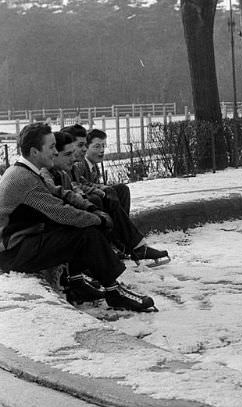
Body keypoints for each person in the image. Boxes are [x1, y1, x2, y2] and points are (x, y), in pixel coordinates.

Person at [0, 123, 155, 312]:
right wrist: (99, 219)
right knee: (85, 234)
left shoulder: (24, 170)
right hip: (12, 253)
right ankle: (115, 292)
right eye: (51, 147)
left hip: (19, 245)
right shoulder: (24, 179)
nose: (55, 152)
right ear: (34, 151)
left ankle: (77, 282)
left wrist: (90, 208)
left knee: (78, 226)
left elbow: (60, 193)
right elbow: (60, 211)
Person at [46, 131, 169, 266]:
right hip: (65, 215)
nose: (84, 149)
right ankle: (121, 245)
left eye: (85, 145)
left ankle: (123, 243)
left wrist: (102, 190)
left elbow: (80, 184)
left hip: (75, 203)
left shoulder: (71, 167)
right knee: (98, 199)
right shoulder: (72, 166)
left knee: (119, 190)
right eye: (81, 145)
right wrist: (92, 196)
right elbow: (72, 188)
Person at [69, 127, 131, 215]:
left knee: (122, 189)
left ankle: (122, 222)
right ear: (87, 148)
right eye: (97, 146)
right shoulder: (80, 165)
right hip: (86, 202)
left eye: (103, 146)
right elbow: (78, 185)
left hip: (94, 197)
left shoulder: (94, 166)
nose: (102, 150)